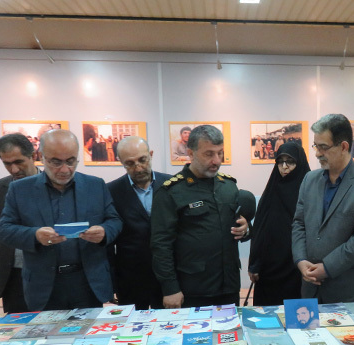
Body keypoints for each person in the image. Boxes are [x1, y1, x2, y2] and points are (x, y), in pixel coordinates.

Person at [0, 129, 122, 311]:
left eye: (70, 161)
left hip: (88, 282)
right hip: (44, 284)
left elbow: (114, 220)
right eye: (56, 162)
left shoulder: (95, 185)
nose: (64, 169)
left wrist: (104, 232)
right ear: (41, 157)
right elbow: (4, 229)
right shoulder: (20, 189)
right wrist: (34, 235)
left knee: (89, 330)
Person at [151, 125, 251, 309]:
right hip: (192, 289)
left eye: (220, 153)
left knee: (229, 328)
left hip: (228, 286)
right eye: (209, 154)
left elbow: (238, 228)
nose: (216, 160)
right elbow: (161, 245)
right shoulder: (171, 192)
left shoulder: (229, 186)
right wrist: (170, 287)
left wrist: (245, 229)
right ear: (191, 153)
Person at [291, 113, 354, 303]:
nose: (317, 153)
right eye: (316, 146)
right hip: (311, 287)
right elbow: (299, 223)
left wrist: (326, 268)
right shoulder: (310, 180)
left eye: (323, 147)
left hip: (349, 289)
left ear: (343, 147)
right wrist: (300, 260)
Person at [107, 137, 169, 310]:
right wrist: (111, 283)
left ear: (151, 155)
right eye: (130, 163)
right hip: (130, 279)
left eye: (143, 160)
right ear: (120, 162)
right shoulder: (111, 191)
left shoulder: (171, 185)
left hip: (168, 276)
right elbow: (109, 244)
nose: (139, 168)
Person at [0, 133, 39, 313]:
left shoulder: (53, 185)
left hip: (48, 270)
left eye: (19, 162)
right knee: (18, 325)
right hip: (13, 274)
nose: (14, 169)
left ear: (33, 156)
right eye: (7, 164)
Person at [248, 142, 310, 306]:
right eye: (280, 162)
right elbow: (259, 229)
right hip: (270, 266)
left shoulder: (310, 191)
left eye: (290, 161)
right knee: (268, 313)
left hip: (297, 264)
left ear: (300, 163)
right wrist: (254, 263)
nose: (284, 167)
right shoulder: (272, 189)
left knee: (297, 311)